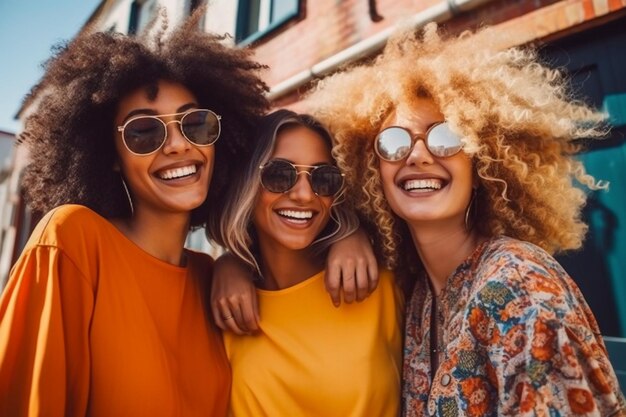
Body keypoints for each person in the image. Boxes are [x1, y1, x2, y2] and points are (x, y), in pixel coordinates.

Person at [305, 23, 626, 416]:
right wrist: (347, 232)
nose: (418, 155)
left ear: (482, 164)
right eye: (393, 141)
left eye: (445, 137)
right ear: (371, 172)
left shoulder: (518, 287)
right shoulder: (421, 296)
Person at [0, 10, 269, 417]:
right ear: (111, 157)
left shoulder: (211, 280)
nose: (178, 145)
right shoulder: (71, 241)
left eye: (194, 123)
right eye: (144, 131)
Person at [206, 109, 404, 417]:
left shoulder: (381, 290)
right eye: (279, 175)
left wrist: (353, 231)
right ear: (246, 184)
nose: (303, 194)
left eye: (323, 179)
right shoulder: (222, 305)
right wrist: (228, 262)